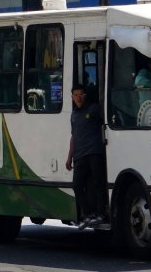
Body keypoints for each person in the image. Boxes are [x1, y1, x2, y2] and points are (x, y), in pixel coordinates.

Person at [65, 85, 108, 229]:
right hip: (80, 155)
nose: (78, 97)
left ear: (85, 96)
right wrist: (69, 157)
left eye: (81, 95)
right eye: (75, 95)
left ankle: (100, 213)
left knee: (97, 183)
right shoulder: (74, 115)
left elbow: (104, 124)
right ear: (72, 97)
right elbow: (73, 137)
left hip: (95, 152)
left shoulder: (94, 109)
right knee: (77, 185)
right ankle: (88, 214)